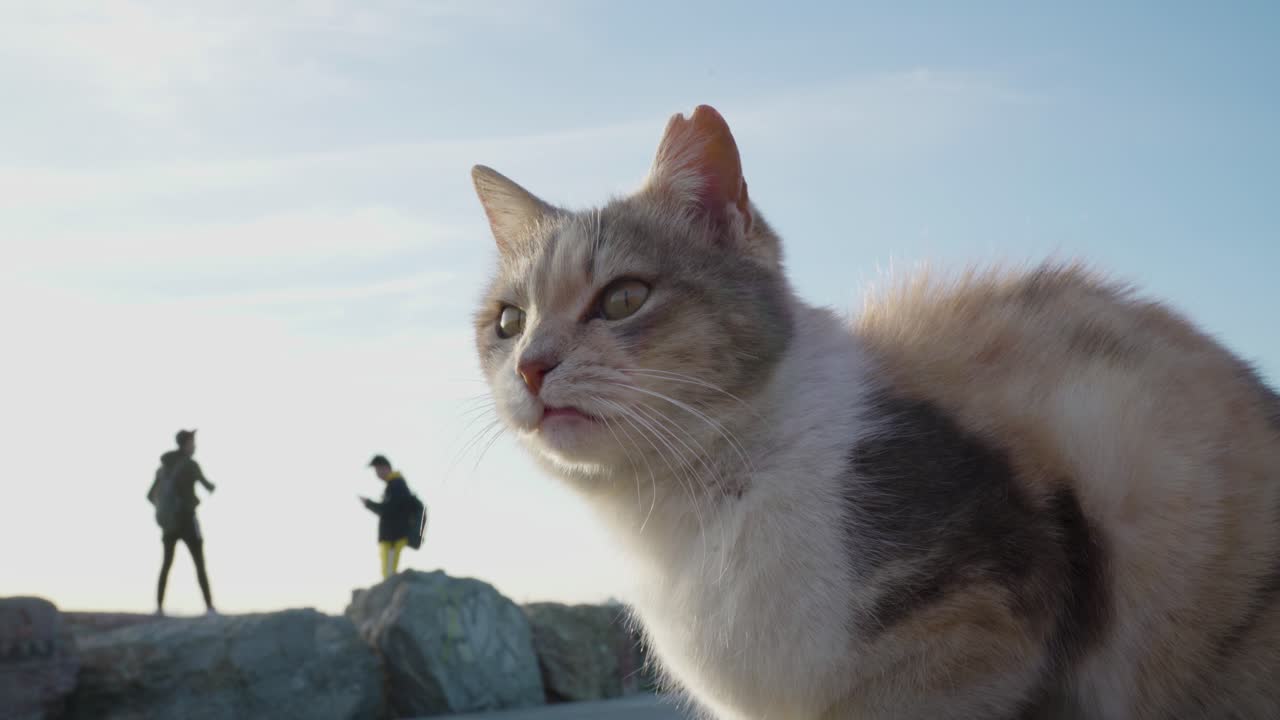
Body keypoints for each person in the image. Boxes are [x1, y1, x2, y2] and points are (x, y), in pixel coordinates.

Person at [147, 429, 216, 615]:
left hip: (169, 525)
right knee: (199, 564)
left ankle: (159, 608)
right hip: (187, 521)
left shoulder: (163, 468)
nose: (195, 445)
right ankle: (210, 608)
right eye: (192, 441)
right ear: (186, 443)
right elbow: (208, 486)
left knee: (166, 564)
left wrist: (165, 512)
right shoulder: (191, 465)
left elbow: (149, 495)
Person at [361, 455, 418, 579]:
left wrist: (368, 504)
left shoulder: (397, 485)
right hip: (391, 538)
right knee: (388, 574)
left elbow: (388, 511)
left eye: (377, 470)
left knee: (389, 576)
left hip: (393, 539)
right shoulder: (395, 484)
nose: (376, 474)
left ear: (385, 468)